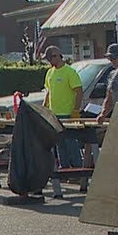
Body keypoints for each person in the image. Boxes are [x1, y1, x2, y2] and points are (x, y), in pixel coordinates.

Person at [42, 45, 85, 196]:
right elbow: (48, 92)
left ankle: (77, 171)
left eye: (52, 57)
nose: (51, 61)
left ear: (58, 55)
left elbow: (78, 91)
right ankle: (65, 170)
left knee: (71, 142)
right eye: (48, 59)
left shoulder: (69, 72)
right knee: (59, 144)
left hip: (67, 114)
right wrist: (44, 108)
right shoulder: (49, 73)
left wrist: (76, 110)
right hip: (54, 114)